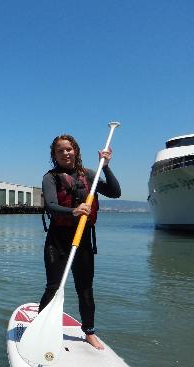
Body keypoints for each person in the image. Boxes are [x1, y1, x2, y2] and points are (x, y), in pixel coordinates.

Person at [39, 134, 121, 350]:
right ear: (54, 155)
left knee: (85, 288)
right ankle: (41, 328)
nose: (65, 153)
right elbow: (51, 205)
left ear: (75, 150)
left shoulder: (89, 175)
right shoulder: (51, 177)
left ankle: (89, 332)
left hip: (83, 239)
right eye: (60, 150)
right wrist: (74, 211)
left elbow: (115, 192)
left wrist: (106, 167)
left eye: (69, 149)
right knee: (54, 287)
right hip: (58, 240)